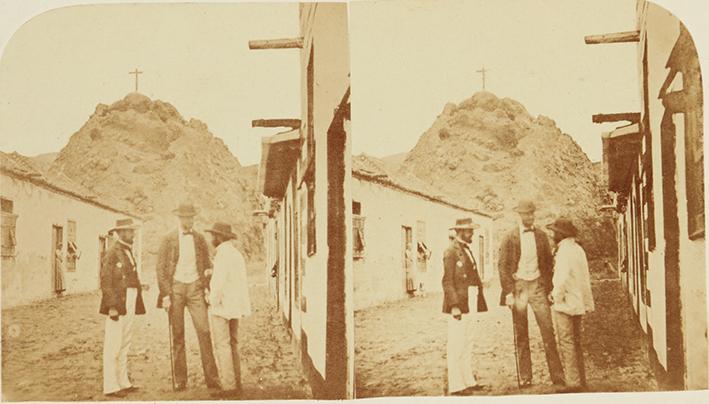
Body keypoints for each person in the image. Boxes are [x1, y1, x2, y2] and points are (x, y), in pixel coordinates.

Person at [498, 200, 565, 388]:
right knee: (521, 333)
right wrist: (508, 292)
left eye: (532, 213)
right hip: (518, 287)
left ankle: (557, 376)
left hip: (537, 286)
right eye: (526, 214)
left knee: (548, 331)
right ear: (519, 215)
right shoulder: (509, 237)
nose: (530, 217)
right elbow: (502, 266)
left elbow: (548, 264)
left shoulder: (542, 236)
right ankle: (525, 376)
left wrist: (548, 286)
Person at [156, 202, 220, 391]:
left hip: (195, 288)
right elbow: (160, 268)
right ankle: (180, 379)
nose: (189, 220)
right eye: (185, 217)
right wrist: (165, 294)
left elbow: (206, 263)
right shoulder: (168, 239)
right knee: (177, 335)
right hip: (175, 288)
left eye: (191, 217)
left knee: (205, 332)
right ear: (179, 218)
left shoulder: (199, 238)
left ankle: (212, 378)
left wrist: (206, 288)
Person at [546, 217, 594, 392]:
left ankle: (573, 382)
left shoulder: (564, 252)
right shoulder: (577, 249)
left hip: (566, 303)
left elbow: (561, 278)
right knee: (576, 341)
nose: (552, 236)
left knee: (566, 341)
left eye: (554, 232)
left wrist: (554, 296)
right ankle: (581, 380)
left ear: (560, 234)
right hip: (578, 301)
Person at [100, 218, 146, 398]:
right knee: (113, 343)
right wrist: (111, 306)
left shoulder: (128, 251)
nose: (132, 234)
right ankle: (110, 386)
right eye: (129, 231)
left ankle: (123, 381)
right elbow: (106, 280)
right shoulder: (112, 252)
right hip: (118, 302)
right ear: (120, 233)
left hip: (130, 299)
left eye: (132, 231)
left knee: (125, 342)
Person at [205, 222, 252, 399]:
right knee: (233, 344)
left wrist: (211, 300)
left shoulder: (222, 255)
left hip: (222, 307)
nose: (212, 239)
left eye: (214, 236)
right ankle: (236, 382)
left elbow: (218, 283)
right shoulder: (235, 254)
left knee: (222, 345)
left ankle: (228, 386)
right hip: (235, 306)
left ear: (220, 237)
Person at [442, 217, 488, 396]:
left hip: (471, 301)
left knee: (468, 342)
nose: (472, 234)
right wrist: (454, 305)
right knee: (456, 344)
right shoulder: (451, 251)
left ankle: (468, 380)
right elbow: (447, 281)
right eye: (469, 231)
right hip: (459, 304)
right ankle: (456, 385)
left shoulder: (466, 250)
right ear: (460, 232)